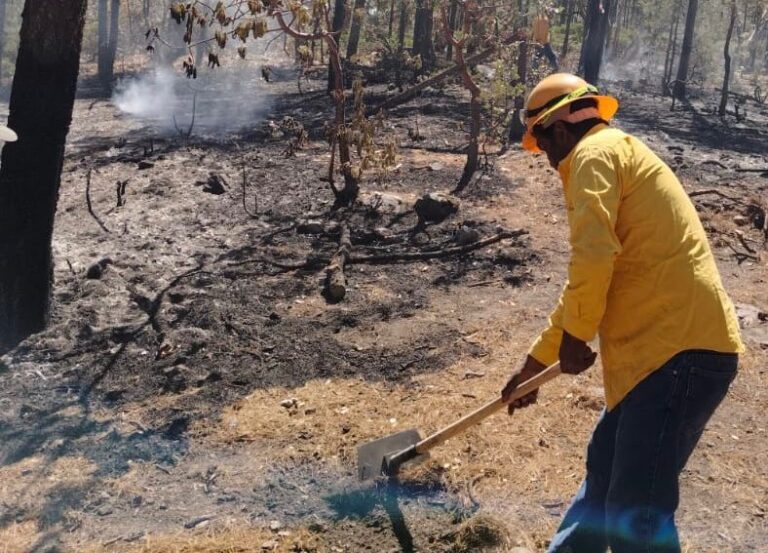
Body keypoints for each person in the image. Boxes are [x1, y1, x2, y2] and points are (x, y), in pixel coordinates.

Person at [500, 73, 744, 553]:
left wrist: (575, 337)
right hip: (667, 354)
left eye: (542, 144)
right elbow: (588, 282)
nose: (547, 159)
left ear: (560, 130)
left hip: (676, 353)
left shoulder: (592, 156)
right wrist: (536, 363)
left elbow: (593, 256)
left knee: (639, 509)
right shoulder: (618, 152)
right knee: (606, 471)